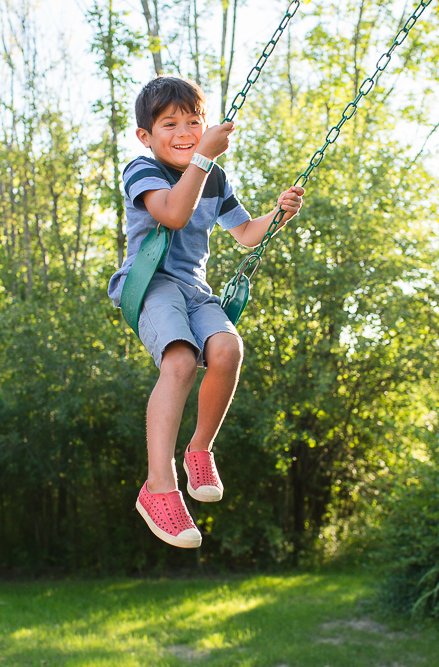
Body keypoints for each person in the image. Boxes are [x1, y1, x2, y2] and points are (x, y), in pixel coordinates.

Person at [108, 76, 306, 549]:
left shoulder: (214, 177)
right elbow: (173, 214)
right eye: (170, 123)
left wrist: (278, 214)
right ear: (146, 136)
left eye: (194, 122)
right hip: (151, 285)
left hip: (195, 290)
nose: (184, 132)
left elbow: (245, 234)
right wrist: (204, 156)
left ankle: (199, 449)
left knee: (227, 348)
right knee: (178, 362)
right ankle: (158, 486)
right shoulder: (142, 169)